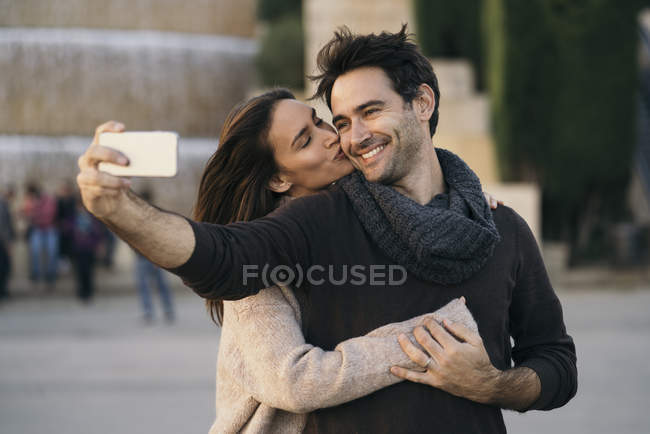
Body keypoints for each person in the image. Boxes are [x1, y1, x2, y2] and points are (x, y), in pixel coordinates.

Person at [77, 26, 577, 433]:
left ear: (422, 103)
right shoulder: (316, 221)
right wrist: (119, 209)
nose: (349, 138)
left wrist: (493, 384)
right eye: (340, 121)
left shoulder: (499, 227)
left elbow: (556, 363)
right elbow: (222, 258)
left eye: (370, 112)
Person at [134, 189, 175, 324]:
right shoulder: (155, 215)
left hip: (149, 256)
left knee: (153, 286)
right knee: (157, 285)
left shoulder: (145, 217)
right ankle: (165, 310)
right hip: (151, 256)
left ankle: (155, 311)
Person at [21, 183, 59, 291]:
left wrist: (34, 210)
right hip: (37, 228)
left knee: (52, 252)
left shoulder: (48, 199)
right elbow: (26, 213)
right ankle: (35, 275)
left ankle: (51, 276)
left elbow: (49, 214)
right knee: (35, 252)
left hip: (49, 227)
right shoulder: (30, 200)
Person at [71, 199, 104, 303]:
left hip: (89, 248)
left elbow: (97, 233)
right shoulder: (74, 218)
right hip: (78, 248)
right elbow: (69, 230)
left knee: (89, 271)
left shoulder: (92, 218)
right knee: (80, 271)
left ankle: (89, 292)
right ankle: (82, 292)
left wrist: (98, 245)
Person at [0, 186, 15, 301]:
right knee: (4, 267)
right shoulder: (2, 204)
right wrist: (8, 243)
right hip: (3, 242)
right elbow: (4, 226)